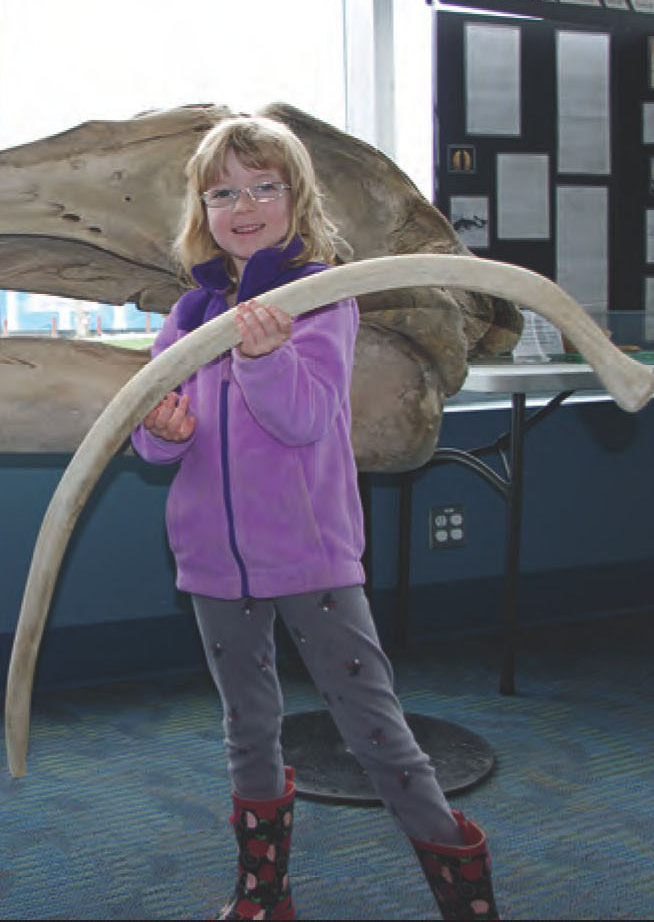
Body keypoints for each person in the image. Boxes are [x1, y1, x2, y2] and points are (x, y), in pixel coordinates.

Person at [131, 115, 499, 921]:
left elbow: (304, 418)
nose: (246, 203)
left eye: (265, 185)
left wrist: (264, 358)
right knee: (248, 726)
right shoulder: (191, 313)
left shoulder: (322, 300)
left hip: (310, 557)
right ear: (203, 208)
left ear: (298, 198)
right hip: (212, 562)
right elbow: (150, 430)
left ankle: (463, 892)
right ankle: (264, 894)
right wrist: (161, 431)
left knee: (373, 729)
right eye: (224, 189)